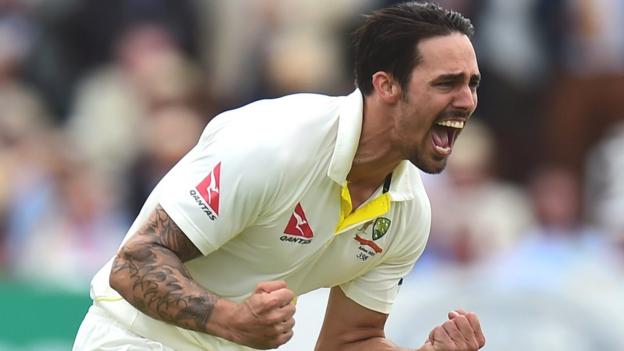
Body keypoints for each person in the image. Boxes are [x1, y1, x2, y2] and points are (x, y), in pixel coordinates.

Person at [73, 2, 485, 350]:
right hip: (135, 340)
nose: (467, 101)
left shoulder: (408, 212)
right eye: (447, 83)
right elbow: (133, 264)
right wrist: (231, 320)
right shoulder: (274, 144)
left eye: (472, 84)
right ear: (387, 85)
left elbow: (350, 340)